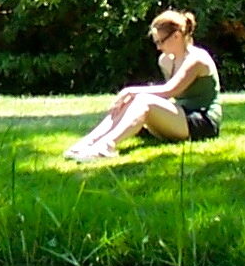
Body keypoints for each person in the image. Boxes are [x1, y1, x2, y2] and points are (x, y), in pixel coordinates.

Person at [67, 9, 220, 163]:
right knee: (130, 101)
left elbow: (170, 90)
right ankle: (87, 143)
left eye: (161, 41)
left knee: (142, 100)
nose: (158, 47)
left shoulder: (197, 59)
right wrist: (131, 96)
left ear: (177, 36)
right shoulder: (165, 61)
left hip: (202, 122)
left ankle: (107, 147)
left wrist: (131, 90)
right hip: (181, 118)